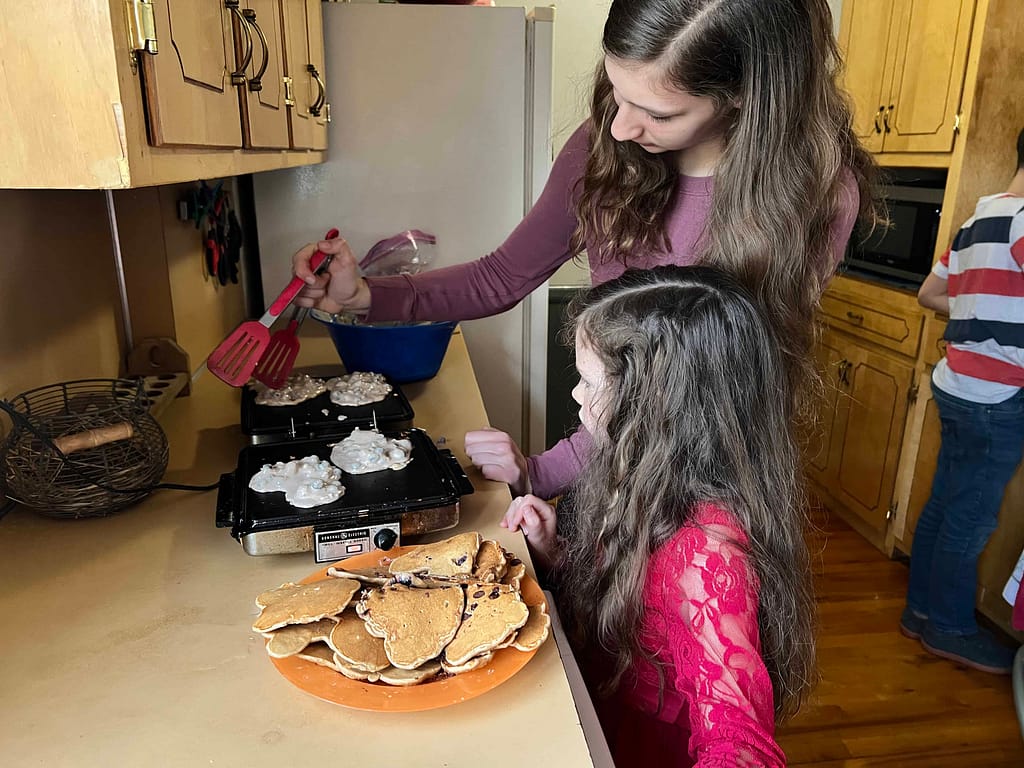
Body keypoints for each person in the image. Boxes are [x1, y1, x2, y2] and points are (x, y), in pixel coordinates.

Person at [292, 0, 880, 500]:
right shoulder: (607, 146)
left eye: (657, 112)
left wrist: (546, 471)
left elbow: (710, 396)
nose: (620, 127)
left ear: (743, 97)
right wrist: (365, 294)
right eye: (615, 90)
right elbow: (500, 277)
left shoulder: (815, 195)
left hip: (707, 492)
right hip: (606, 468)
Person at [501, 265, 815, 767]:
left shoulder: (707, 552)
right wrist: (554, 551)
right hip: (603, 699)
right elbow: (633, 607)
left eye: (588, 382)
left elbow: (741, 744)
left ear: (655, 404)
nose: (577, 397)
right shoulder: (644, 474)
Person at [900, 128, 1024, 675]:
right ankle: (949, 628)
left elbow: (930, 293)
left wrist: (975, 311)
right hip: (998, 396)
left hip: (956, 383)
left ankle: (919, 610)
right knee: (970, 518)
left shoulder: (980, 218)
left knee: (944, 501)